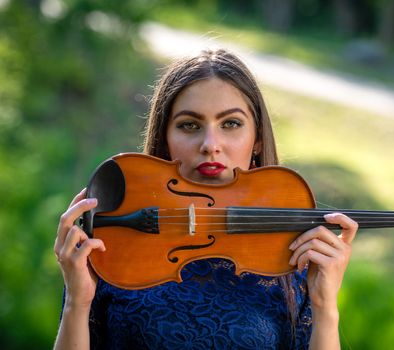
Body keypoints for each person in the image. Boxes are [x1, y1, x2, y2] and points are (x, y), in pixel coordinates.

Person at [53, 48, 358, 349]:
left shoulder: (292, 257)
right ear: (165, 137)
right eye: (189, 125)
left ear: (258, 140)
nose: (211, 145)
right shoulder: (112, 245)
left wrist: (325, 307)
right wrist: (76, 303)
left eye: (230, 124)